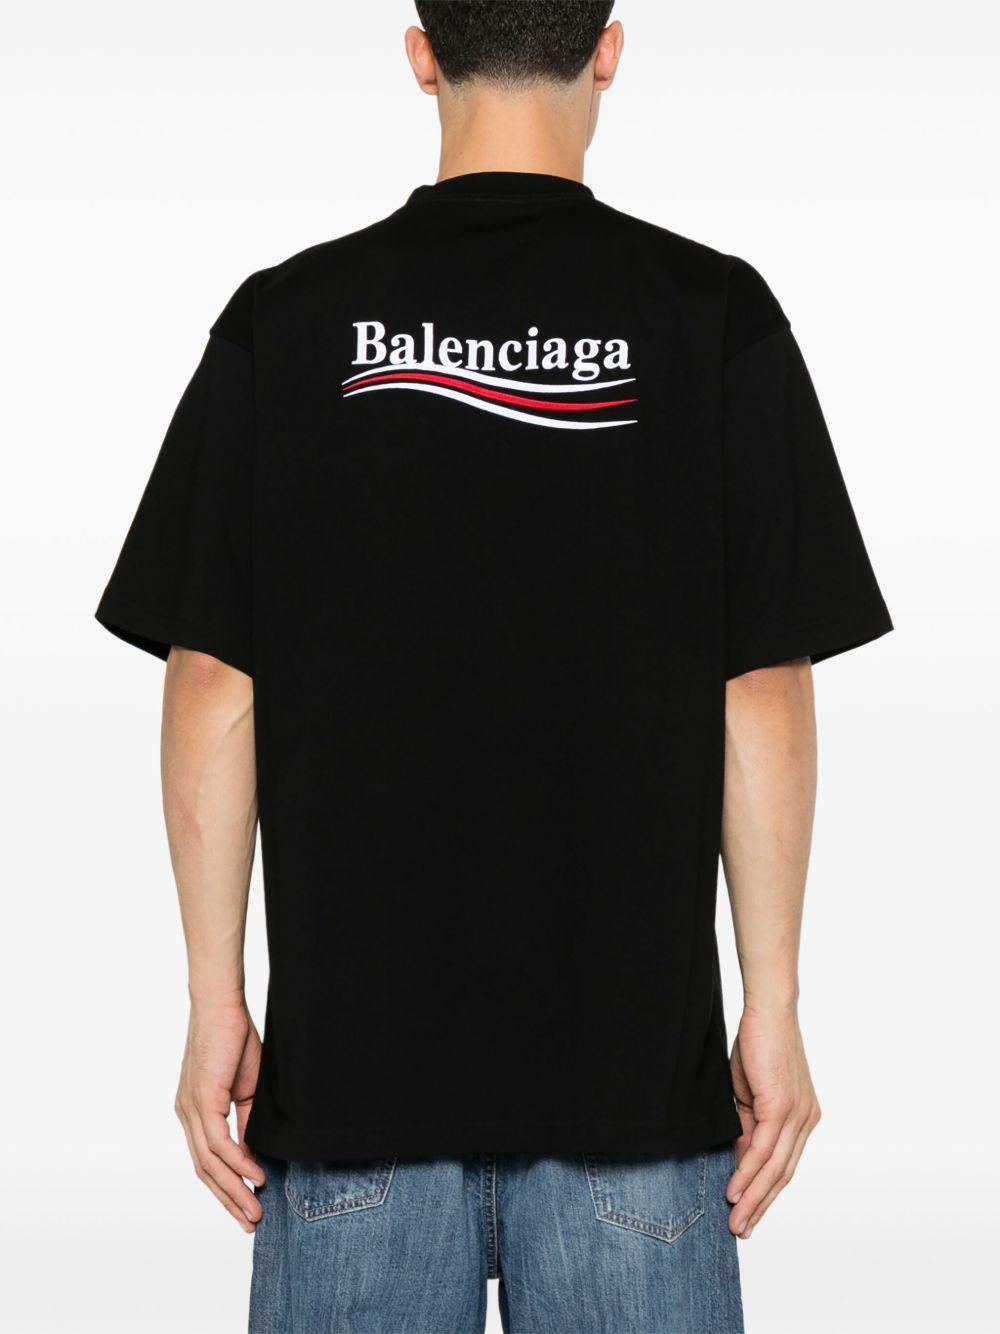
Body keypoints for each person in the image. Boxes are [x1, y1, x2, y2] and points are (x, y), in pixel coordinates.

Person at [96, 3, 892, 1331]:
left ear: (421, 53)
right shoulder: (708, 315)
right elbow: (760, 685)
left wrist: (213, 995)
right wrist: (775, 1002)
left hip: (353, 1095)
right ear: (609, 48)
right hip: (632, 1095)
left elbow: (215, 680)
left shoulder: (290, 320)